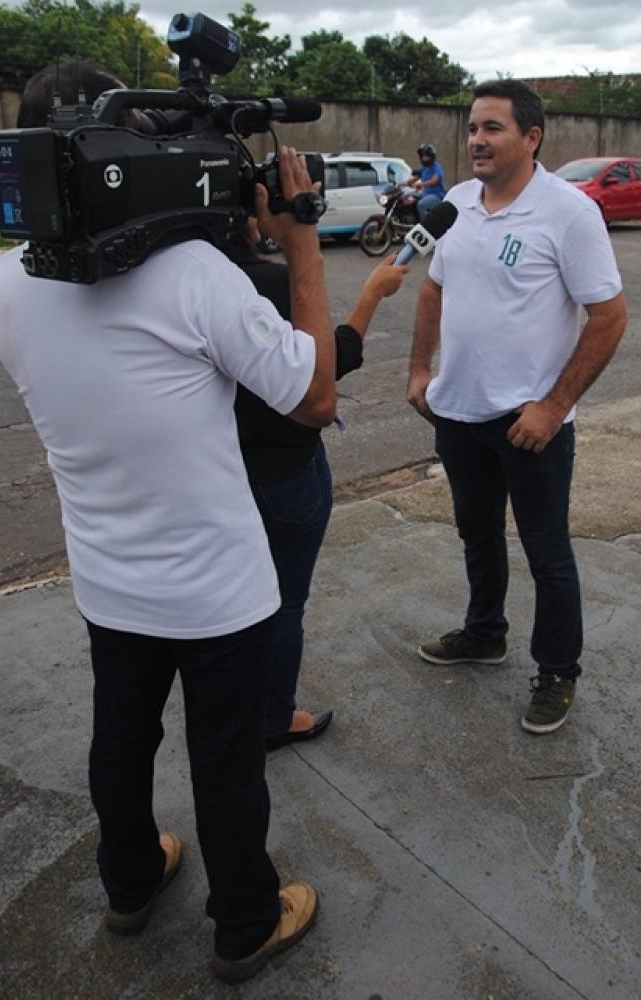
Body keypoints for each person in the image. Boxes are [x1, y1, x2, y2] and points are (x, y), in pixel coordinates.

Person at [0, 61, 338, 984]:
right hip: (218, 590)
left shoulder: (11, 285)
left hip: (109, 580)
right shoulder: (194, 274)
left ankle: (132, 881)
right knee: (225, 761)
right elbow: (311, 396)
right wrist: (300, 240)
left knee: (122, 737)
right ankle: (244, 924)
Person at [407, 79, 627, 734]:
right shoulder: (454, 203)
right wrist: (420, 370)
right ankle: (484, 633)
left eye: (492, 128)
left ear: (531, 138)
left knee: (546, 550)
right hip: (457, 414)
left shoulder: (567, 213)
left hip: (529, 424)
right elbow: (432, 291)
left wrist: (555, 405)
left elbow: (609, 317)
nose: (476, 139)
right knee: (476, 534)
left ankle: (557, 670)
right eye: (473, 127)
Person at [226, 221, 408, 750]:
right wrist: (371, 293)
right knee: (281, 604)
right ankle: (271, 717)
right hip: (283, 476)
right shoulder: (266, 284)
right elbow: (322, 379)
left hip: (210, 475)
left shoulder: (167, 283)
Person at [408, 143, 446, 221]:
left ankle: (425, 227)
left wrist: (419, 184)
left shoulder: (437, 167)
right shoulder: (423, 168)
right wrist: (406, 183)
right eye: (423, 156)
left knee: (421, 204)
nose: (424, 158)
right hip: (425, 194)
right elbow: (415, 178)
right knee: (408, 199)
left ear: (431, 157)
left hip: (437, 196)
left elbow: (434, 181)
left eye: (426, 157)